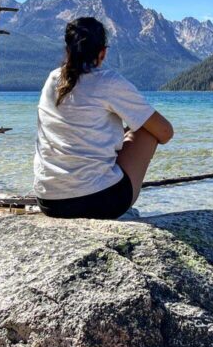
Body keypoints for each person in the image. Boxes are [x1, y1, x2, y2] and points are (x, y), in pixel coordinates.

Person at [34, 16, 174, 219]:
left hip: (49, 202)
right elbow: (165, 132)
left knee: (122, 133)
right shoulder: (109, 82)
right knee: (146, 131)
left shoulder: (52, 79)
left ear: (68, 50)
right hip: (98, 202)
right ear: (103, 52)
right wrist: (132, 131)